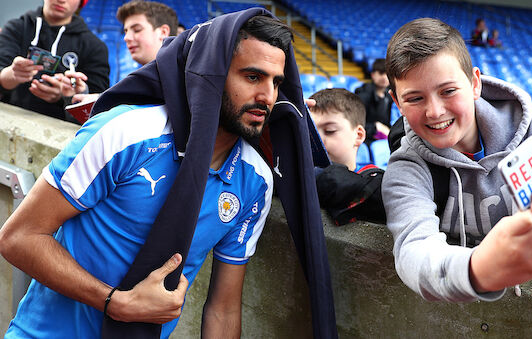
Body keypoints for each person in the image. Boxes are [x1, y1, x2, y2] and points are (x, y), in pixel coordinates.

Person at [0, 10, 337, 339]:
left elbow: (223, 308)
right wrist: (115, 303)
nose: (267, 96)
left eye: (276, 82)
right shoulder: (125, 133)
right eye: (252, 77)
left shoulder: (256, 180)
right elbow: (19, 237)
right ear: (212, 74)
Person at [383, 18, 532, 337]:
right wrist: (481, 268)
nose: (434, 111)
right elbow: (413, 253)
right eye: (415, 98)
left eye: (448, 91)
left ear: (475, 83)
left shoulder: (524, 120)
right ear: (396, 102)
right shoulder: (406, 167)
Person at [0, 0, 109, 120]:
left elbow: (98, 106)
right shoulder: (16, 28)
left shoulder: (94, 47)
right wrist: (11, 75)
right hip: (9, 121)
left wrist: (67, 96)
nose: (61, 0)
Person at [73, 0, 178, 105]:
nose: (126, 38)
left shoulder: (183, 76)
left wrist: (103, 100)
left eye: (137, 30)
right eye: (126, 31)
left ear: (163, 32)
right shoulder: (143, 81)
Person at [309, 88, 386, 225]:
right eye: (309, 133)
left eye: (329, 131)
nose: (317, 140)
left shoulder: (376, 181)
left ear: (359, 135)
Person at [355, 58, 393, 145]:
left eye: (387, 74)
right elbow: (356, 124)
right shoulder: (362, 94)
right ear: (373, 75)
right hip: (366, 139)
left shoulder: (389, 95)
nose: (384, 77)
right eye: (381, 73)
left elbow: (386, 123)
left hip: (382, 138)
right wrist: (375, 127)